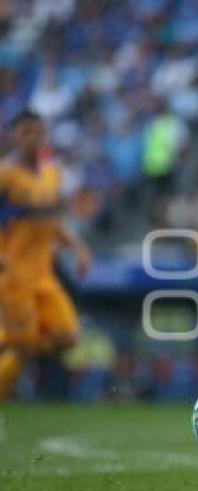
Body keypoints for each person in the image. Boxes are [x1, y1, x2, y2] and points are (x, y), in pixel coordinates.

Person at [0, 110, 91, 400]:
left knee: (67, 337)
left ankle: (7, 338)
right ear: (14, 135)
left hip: (44, 273)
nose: (33, 138)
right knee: (23, 350)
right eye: (26, 131)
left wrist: (77, 247)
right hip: (14, 274)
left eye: (38, 132)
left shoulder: (53, 173)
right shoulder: (6, 175)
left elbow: (51, 221)